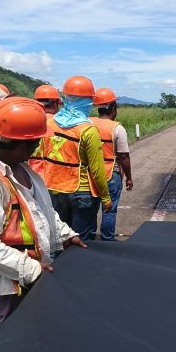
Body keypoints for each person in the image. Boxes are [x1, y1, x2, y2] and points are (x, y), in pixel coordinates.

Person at [0, 98, 85, 328]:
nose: (36, 148)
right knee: (15, 336)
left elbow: (41, 212)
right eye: (35, 143)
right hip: (9, 282)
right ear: (21, 143)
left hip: (29, 276)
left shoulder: (19, 167)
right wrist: (30, 270)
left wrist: (66, 235)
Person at [35, 76, 112, 239]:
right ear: (86, 103)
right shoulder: (88, 130)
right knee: (82, 240)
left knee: (60, 238)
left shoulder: (48, 124)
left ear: (66, 98)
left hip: (53, 189)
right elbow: (97, 170)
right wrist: (105, 198)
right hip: (81, 192)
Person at [91, 88, 133, 241]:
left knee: (91, 209)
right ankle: (107, 240)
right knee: (109, 210)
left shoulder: (88, 123)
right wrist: (129, 177)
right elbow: (123, 157)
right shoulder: (117, 128)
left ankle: (89, 240)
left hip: (91, 173)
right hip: (110, 174)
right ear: (113, 109)